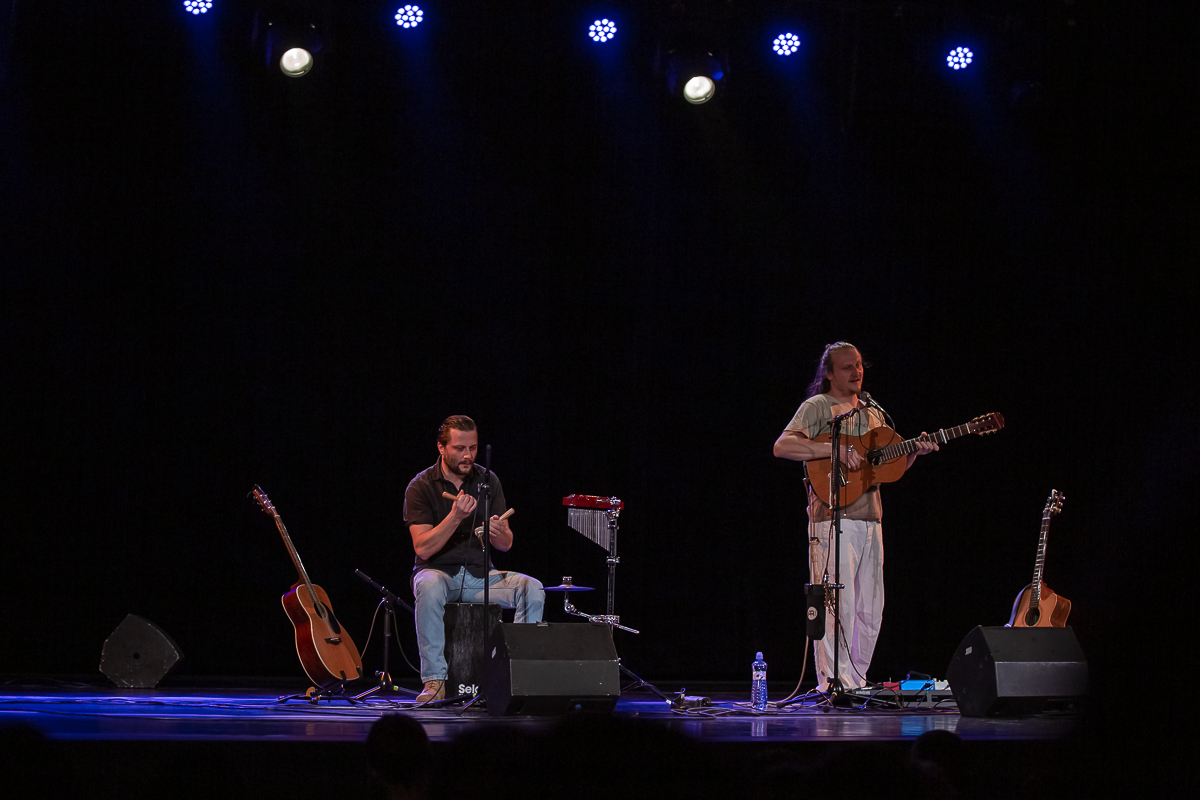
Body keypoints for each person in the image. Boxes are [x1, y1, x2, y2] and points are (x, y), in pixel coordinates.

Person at [773, 342, 938, 692]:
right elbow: (782, 446)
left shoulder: (872, 412)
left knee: (870, 607)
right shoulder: (818, 406)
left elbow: (883, 470)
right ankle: (833, 684)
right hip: (833, 519)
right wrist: (833, 449)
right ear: (829, 373)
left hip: (871, 520)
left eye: (859, 365)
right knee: (837, 605)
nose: (856, 371)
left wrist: (914, 453)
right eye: (847, 366)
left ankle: (856, 681)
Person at [403, 415, 545, 704]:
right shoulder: (421, 485)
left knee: (533, 587)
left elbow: (505, 545)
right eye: (459, 448)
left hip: (481, 576)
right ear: (441, 448)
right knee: (428, 585)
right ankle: (434, 682)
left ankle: (519, 679)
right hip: (438, 573)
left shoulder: (488, 480)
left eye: (473, 447)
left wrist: (499, 532)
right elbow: (423, 549)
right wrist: (455, 517)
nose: (467, 455)